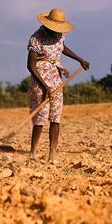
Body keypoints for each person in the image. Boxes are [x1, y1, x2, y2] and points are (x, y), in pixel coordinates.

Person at [27, 8, 89, 163]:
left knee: (56, 115)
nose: (57, 32)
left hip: (55, 77)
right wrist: (45, 87)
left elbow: (62, 47)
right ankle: (33, 152)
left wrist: (79, 59)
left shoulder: (60, 35)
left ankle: (52, 153)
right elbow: (30, 65)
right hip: (39, 78)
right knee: (41, 114)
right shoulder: (36, 38)